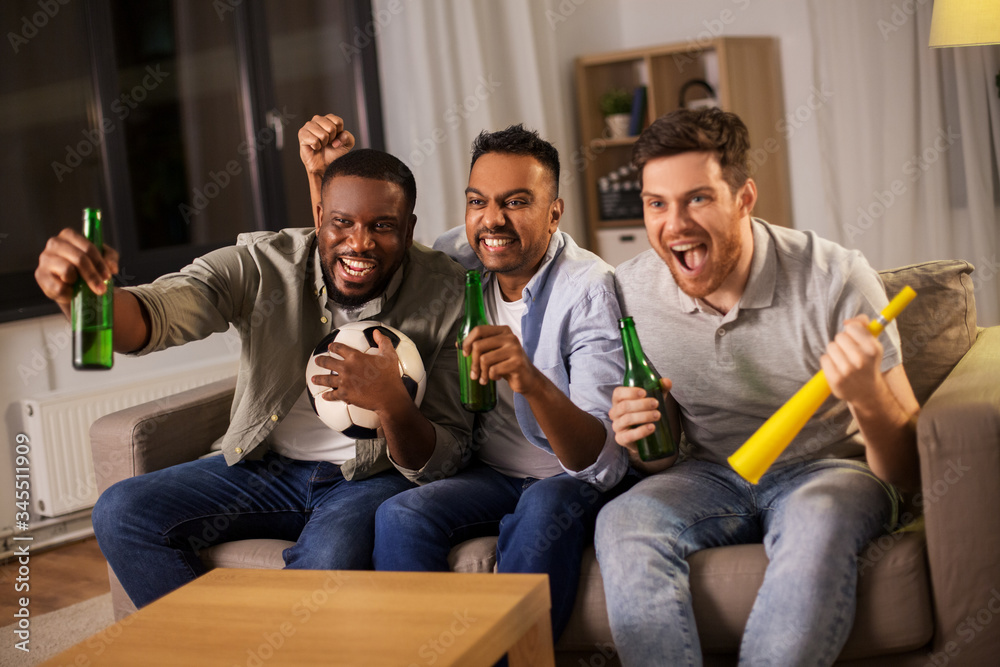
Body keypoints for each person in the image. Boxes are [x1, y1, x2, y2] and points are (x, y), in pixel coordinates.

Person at [35, 145, 473, 609]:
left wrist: (393, 404)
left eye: (382, 226)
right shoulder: (265, 264)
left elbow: (446, 456)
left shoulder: (446, 292)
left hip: (374, 477)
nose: (359, 242)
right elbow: (156, 312)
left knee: (327, 557)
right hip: (268, 466)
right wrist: (85, 299)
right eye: (342, 222)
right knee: (122, 512)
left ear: (408, 230)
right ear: (319, 215)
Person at [595, 107, 921, 666]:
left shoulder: (836, 277)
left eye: (698, 197)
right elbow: (662, 457)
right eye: (657, 204)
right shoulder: (629, 292)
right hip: (708, 473)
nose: (674, 224)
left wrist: (867, 393)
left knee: (822, 516)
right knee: (622, 518)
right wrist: (640, 436)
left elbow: (910, 471)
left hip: (828, 470)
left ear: (744, 198)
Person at [298, 115, 630, 640]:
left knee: (542, 510)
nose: (492, 220)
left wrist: (529, 378)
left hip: (562, 478)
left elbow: (604, 459)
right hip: (487, 472)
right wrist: (327, 175)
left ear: (554, 213)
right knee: (402, 516)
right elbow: (360, 249)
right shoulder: (459, 256)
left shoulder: (588, 289)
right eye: (479, 202)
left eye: (516, 202)